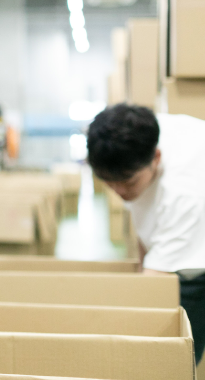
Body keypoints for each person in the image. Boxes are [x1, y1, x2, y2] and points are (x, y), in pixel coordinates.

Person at [86, 104, 205, 364]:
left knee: (170, 358)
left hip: (198, 263)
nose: (119, 192)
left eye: (128, 183)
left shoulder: (184, 195)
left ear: (157, 158)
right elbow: (143, 220)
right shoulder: (132, 136)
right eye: (108, 182)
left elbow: (153, 283)